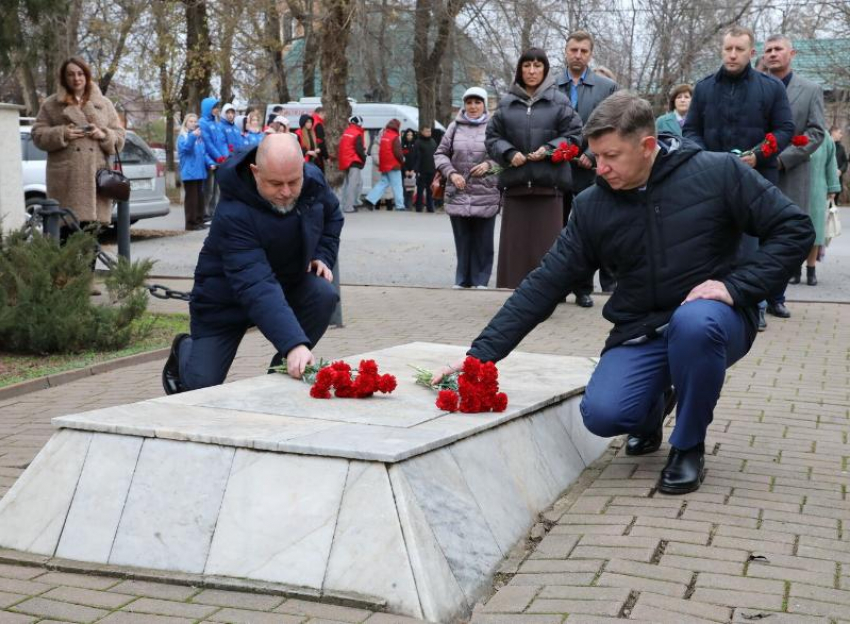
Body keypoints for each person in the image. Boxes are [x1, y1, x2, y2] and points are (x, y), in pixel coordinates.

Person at [438, 91, 813, 495]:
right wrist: (479, 357)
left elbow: (795, 230)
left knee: (694, 323)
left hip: (715, 320)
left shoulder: (718, 173)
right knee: (603, 415)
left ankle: (688, 447)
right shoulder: (592, 206)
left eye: (611, 156)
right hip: (641, 328)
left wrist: (736, 286)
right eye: (595, 156)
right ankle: (653, 405)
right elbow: (545, 283)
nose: (599, 168)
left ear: (647, 146)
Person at [162, 134, 343, 393]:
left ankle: (279, 378)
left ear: (302, 167)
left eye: (293, 181)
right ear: (256, 172)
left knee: (323, 293)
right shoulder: (233, 212)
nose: (286, 192)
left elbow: (333, 216)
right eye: (275, 184)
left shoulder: (312, 181)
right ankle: (184, 350)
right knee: (200, 387)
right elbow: (256, 284)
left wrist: (322, 255)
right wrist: (293, 343)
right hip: (225, 301)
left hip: (286, 287)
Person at [685, 25, 794, 331]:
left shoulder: (771, 88)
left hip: (757, 178)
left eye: (739, 50)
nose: (732, 55)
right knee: (713, 243)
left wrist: (758, 154)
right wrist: (706, 157)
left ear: (751, 52)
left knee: (752, 246)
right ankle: (709, 301)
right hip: (712, 179)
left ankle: (754, 305)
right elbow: (691, 130)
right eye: (728, 49)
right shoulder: (705, 87)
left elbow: (784, 129)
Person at [486, 47, 583, 289]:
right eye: (527, 65)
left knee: (546, 250)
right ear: (519, 70)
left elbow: (574, 137)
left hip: (549, 189)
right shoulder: (507, 103)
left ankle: (547, 297)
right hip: (516, 188)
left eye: (537, 66)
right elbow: (491, 138)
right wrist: (509, 153)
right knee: (515, 251)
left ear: (545, 70)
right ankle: (512, 298)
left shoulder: (559, 101)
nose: (531, 71)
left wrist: (549, 150)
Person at [763, 34, 826, 314]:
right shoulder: (754, 86)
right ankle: (756, 300)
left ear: (792, 53)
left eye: (778, 49)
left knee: (783, 238)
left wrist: (782, 158)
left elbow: (816, 132)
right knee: (754, 238)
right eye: (768, 50)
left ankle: (776, 296)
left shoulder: (810, 89)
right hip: (755, 172)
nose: (773, 54)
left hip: (790, 173)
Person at [556, 30, 618, 305]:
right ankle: (557, 285)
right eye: (573, 50)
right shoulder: (550, 85)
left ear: (590, 54)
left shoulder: (606, 88)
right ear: (566, 52)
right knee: (556, 231)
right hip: (555, 169)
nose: (578, 55)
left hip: (589, 171)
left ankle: (583, 288)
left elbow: (612, 124)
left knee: (587, 231)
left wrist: (592, 154)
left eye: (583, 51)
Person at [31, 56, 125, 228]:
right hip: (66, 179)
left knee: (91, 240)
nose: (76, 78)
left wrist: (103, 135)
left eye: (80, 73)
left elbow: (120, 137)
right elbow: (37, 135)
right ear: (64, 78)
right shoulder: (51, 104)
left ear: (87, 76)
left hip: (96, 179)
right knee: (67, 237)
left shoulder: (104, 104)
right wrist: (62, 133)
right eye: (71, 74)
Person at [435, 87, 500, 289]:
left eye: (477, 102)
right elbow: (440, 153)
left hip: (485, 192)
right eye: (469, 102)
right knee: (462, 239)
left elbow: (502, 156)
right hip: (459, 191)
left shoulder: (494, 127)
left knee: (483, 240)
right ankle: (462, 279)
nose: (473, 107)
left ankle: (481, 279)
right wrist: (451, 173)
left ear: (484, 105)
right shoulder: (454, 127)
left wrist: (489, 165)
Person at [801, 133, 841, 285]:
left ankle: (811, 271)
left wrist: (832, 188)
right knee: (794, 231)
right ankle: (794, 271)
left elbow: (831, 164)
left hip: (818, 189)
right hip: (796, 188)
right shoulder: (796, 131)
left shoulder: (825, 138)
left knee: (816, 232)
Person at [177, 113, 213, 231]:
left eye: (194, 121)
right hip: (190, 173)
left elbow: (203, 153)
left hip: (200, 172)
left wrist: (210, 163)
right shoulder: (184, 137)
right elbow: (186, 149)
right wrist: (193, 136)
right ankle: (190, 223)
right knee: (191, 200)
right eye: (190, 121)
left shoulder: (199, 137)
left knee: (199, 199)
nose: (193, 123)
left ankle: (199, 220)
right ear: (186, 123)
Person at [364, 119, 406, 211]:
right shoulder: (394, 137)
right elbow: (398, 153)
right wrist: (402, 160)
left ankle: (369, 199)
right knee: (397, 185)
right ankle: (400, 205)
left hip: (385, 165)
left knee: (383, 183)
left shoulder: (384, 136)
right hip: (394, 165)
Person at [199, 97, 229, 220]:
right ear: (208, 108)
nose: (217, 110)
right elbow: (208, 143)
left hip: (219, 161)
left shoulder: (216, 124)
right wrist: (218, 156)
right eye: (214, 107)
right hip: (209, 162)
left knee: (217, 189)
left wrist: (225, 156)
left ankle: (213, 212)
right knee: (208, 189)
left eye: (217, 107)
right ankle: (205, 212)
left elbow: (221, 142)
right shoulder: (202, 123)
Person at [338, 115, 367, 213]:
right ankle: (349, 207)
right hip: (354, 161)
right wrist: (363, 159)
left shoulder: (345, 132)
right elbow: (359, 149)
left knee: (345, 185)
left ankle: (341, 205)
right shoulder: (357, 133)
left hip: (344, 161)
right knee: (353, 185)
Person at [413, 126, 438, 213]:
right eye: (426, 131)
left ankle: (430, 207)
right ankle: (419, 207)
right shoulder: (418, 142)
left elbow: (436, 155)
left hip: (432, 169)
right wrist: (416, 169)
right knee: (420, 189)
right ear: (422, 132)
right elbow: (416, 157)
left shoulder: (433, 141)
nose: (428, 133)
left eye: (429, 131)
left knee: (430, 190)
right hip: (421, 170)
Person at [401, 129, 418, 210]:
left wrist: (413, 170)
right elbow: (401, 159)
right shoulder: (402, 145)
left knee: (411, 188)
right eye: (408, 135)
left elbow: (418, 159)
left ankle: (410, 205)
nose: (409, 136)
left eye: (411, 135)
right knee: (404, 188)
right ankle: (404, 204)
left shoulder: (416, 145)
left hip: (413, 171)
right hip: (404, 170)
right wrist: (405, 170)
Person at [833, 126, 847, 194]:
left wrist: (840, 170)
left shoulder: (841, 148)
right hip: (825, 181)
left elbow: (845, 162)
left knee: (835, 203)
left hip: (837, 180)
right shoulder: (825, 145)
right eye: (839, 133)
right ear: (834, 132)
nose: (841, 135)